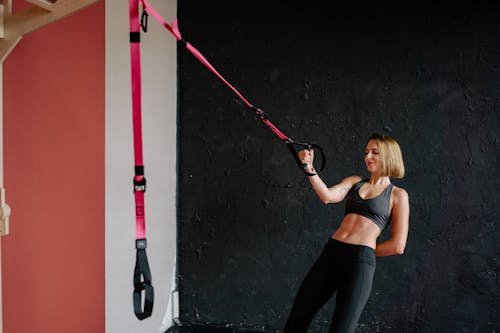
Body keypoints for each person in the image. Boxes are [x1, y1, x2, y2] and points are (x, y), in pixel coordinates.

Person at [283, 132, 410, 333]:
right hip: (331, 254)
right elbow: (327, 196)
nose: (368, 157)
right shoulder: (355, 181)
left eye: (375, 152)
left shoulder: (397, 195)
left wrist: (364, 252)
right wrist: (309, 168)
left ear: (389, 156)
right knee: (296, 321)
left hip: (359, 263)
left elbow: (398, 245)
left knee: (341, 330)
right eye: (366, 152)